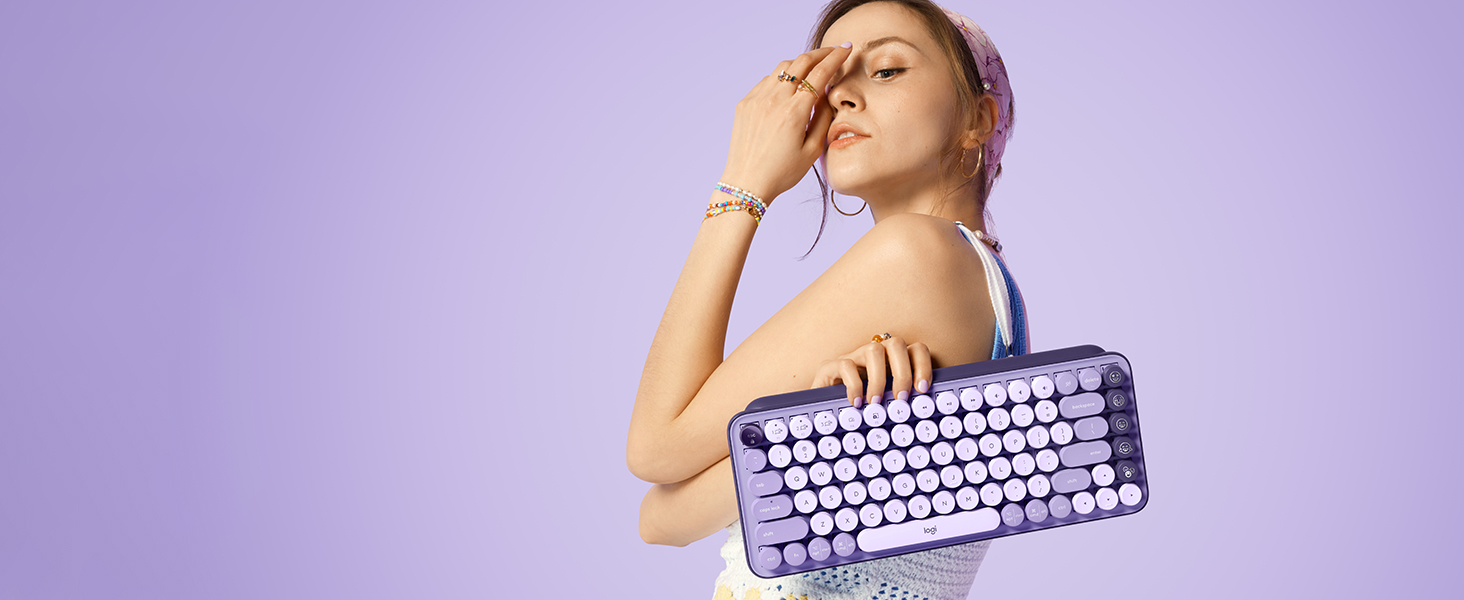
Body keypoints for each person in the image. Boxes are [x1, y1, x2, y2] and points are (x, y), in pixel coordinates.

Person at [626, 1, 1027, 598]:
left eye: (887, 69)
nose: (841, 96)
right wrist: (808, 429)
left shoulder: (916, 254)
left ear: (979, 116)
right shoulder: (984, 283)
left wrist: (744, 181)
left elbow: (654, 448)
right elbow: (657, 519)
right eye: (831, 78)